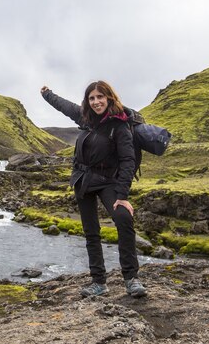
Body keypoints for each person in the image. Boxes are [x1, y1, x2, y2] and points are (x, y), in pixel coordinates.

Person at [40, 81, 147, 298]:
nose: (96, 102)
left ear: (109, 98)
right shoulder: (85, 118)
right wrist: (47, 94)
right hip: (83, 180)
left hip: (109, 181)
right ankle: (99, 282)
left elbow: (128, 160)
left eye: (100, 97)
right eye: (92, 98)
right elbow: (65, 106)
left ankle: (131, 279)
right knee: (91, 233)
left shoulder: (119, 125)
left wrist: (122, 196)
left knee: (123, 219)